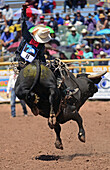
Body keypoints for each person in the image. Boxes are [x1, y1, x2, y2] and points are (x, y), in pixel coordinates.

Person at [15, 4, 51, 70]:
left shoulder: (28, 37)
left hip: (23, 60)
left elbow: (23, 25)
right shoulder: (41, 45)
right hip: (30, 62)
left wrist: (24, 11)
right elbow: (41, 56)